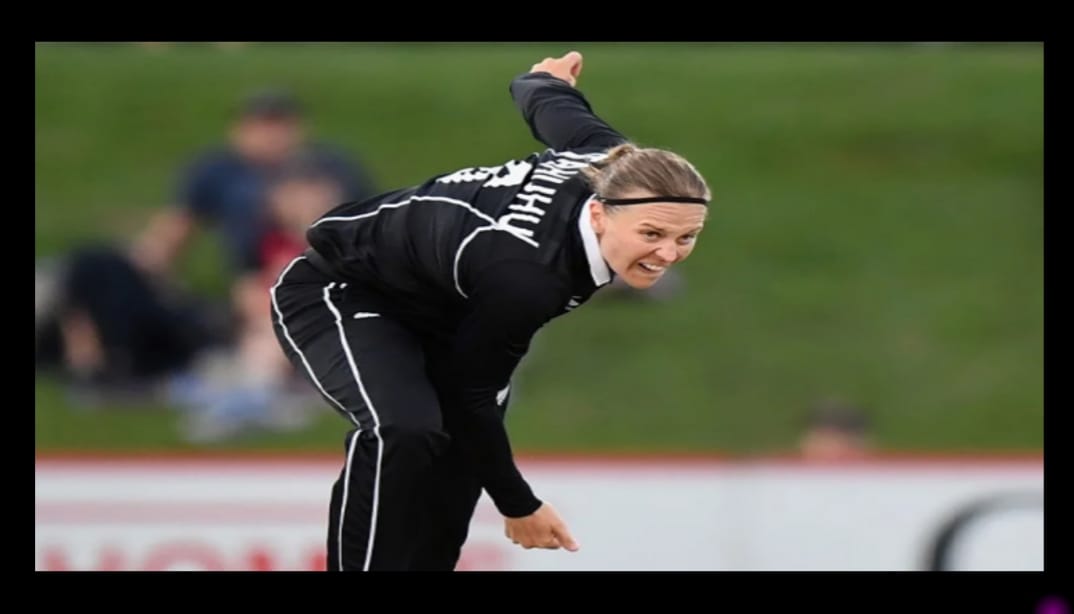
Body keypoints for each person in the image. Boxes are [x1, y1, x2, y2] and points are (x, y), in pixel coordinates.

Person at [271, 51, 712, 571]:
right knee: (404, 430)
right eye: (652, 234)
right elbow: (470, 397)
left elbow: (552, 106)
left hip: (444, 306)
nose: (668, 254)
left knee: (459, 468)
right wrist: (518, 504)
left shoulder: (609, 159)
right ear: (597, 214)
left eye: (687, 238)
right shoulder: (527, 277)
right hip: (342, 289)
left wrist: (540, 80)